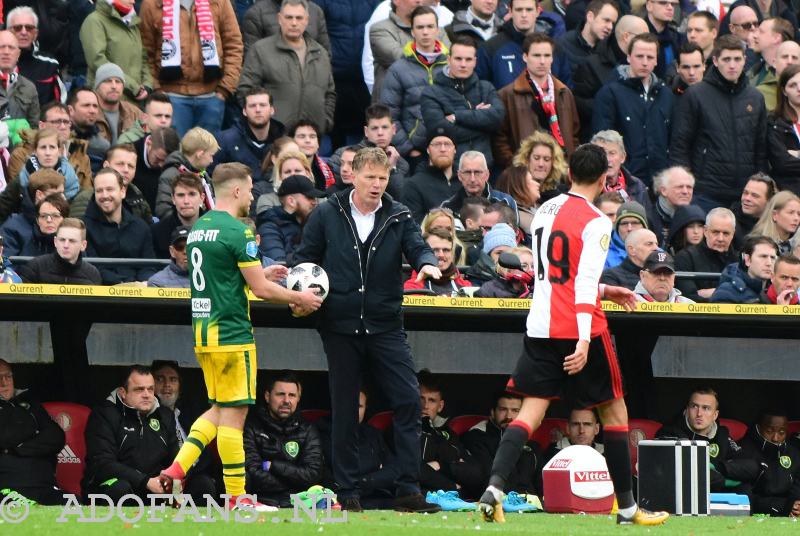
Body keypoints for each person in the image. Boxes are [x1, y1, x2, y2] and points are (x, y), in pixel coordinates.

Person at [476, 143, 668, 525]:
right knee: (615, 412)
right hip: (580, 328)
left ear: (568, 174)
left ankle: (494, 489)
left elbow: (553, 276)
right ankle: (628, 509)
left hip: (541, 323)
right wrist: (583, 339)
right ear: (604, 178)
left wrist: (605, 289)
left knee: (530, 410)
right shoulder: (597, 220)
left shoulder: (545, 210)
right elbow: (579, 284)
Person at [158, 162, 321, 512]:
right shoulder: (239, 232)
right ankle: (237, 499)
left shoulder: (201, 227)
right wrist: (299, 298)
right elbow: (260, 291)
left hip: (204, 333)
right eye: (249, 190)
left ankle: (176, 468)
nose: (251, 196)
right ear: (235, 191)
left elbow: (225, 275)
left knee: (218, 410)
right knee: (234, 418)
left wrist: (260, 271)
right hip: (232, 335)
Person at [293, 147, 442, 513]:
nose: (377, 184)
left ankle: (408, 490)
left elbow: (418, 246)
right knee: (345, 410)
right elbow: (304, 259)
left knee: (408, 400)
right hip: (339, 325)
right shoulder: (327, 212)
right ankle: (346, 491)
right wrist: (300, 293)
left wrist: (427, 264)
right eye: (371, 177)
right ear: (353, 176)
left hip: (386, 325)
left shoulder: (399, 213)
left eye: (383, 177)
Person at [670, 34, 767, 212]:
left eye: (737, 59)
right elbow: (680, 144)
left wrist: (758, 185)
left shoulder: (755, 98)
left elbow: (760, 148)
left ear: (745, 60)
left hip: (745, 194)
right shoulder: (696, 95)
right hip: (706, 192)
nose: (732, 65)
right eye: (726, 59)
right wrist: (686, 185)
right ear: (715, 61)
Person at [140, 0, 243, 136]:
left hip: (212, 97)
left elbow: (234, 44)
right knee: (174, 154)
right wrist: (158, 90)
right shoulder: (152, 4)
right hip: (170, 97)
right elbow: (145, 52)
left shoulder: (220, 2)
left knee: (206, 154)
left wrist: (224, 90)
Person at [82, 365, 179, 502]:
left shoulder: (165, 416)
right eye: (139, 389)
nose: (146, 394)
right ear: (123, 393)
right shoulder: (104, 414)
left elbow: (176, 458)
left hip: (155, 488)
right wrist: (145, 481)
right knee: (120, 488)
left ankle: (191, 522)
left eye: (150, 389)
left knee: (201, 483)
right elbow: (102, 463)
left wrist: (172, 481)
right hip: (113, 486)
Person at [237, 0, 336, 134]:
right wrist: (262, 126)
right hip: (273, 139)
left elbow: (330, 93)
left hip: (311, 137)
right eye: (289, 17)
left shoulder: (321, 53)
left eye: (299, 18)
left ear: (307, 20)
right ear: (279, 19)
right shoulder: (261, 50)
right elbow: (246, 90)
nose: (294, 23)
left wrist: (325, 121)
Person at [591, 33, 673, 188]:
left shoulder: (665, 94)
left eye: (650, 57)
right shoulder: (610, 93)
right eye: (639, 56)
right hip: (625, 181)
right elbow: (600, 142)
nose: (644, 62)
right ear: (628, 57)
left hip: (660, 183)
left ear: (656, 60)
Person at [494, 32, 579, 169]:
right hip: (524, 174)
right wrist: (517, 168)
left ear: (552, 58)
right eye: (536, 55)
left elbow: (574, 135)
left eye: (547, 56)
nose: (542, 61)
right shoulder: (507, 94)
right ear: (525, 57)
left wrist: (571, 167)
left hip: (561, 171)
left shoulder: (565, 92)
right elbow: (500, 140)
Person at [421, 36, 505, 168]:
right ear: (449, 60)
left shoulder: (486, 87)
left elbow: (498, 118)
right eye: (458, 59)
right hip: (450, 169)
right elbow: (440, 131)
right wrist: (482, 123)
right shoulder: (431, 93)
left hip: (484, 168)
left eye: (468, 59)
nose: (463, 64)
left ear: (475, 62)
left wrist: (457, 117)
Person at [243, 370, 323, 507]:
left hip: (299, 504)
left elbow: (313, 475)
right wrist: (294, 483)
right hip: (259, 503)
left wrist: (272, 466)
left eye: (292, 395)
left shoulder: (308, 430)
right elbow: (251, 472)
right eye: (280, 394)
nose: (286, 401)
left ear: (298, 398)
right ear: (267, 396)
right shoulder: (251, 427)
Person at [380, 6, 449, 164]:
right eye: (420, 27)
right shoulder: (398, 69)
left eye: (430, 26)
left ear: (438, 30)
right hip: (414, 154)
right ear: (412, 31)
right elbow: (390, 116)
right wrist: (409, 150)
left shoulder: (451, 66)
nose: (425, 32)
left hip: (449, 150)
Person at [656, 388, 757, 493]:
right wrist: (726, 481)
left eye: (706, 408)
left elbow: (751, 466)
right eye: (694, 406)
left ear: (715, 415)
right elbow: (683, 473)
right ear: (687, 410)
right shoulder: (669, 433)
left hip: (716, 496)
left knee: (745, 490)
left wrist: (718, 467)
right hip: (681, 494)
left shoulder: (721, 435)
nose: (699, 413)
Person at [0, 358, 67, 505]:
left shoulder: (29, 405)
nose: (4, 383)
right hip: (8, 488)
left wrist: (17, 449)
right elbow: (5, 436)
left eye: (8, 376)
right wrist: (35, 432)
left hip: (45, 486)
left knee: (77, 508)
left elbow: (56, 437)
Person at [572, 15, 649, 142]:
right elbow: (580, 105)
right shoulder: (591, 65)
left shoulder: (645, 64)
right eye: (643, 37)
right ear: (626, 37)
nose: (647, 42)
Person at [82, 168, 157, 284]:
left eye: (109, 189)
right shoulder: (84, 227)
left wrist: (141, 284)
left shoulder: (141, 227)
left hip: (139, 296)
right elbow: (92, 266)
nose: (105, 195)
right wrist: (122, 285)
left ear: (123, 191)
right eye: (99, 191)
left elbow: (148, 266)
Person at [461, 392, 543, 499]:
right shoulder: (476, 438)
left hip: (533, 505)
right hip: (498, 502)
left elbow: (542, 483)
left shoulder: (533, 446)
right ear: (492, 412)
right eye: (503, 409)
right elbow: (486, 478)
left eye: (515, 411)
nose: (508, 416)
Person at [476, 0, 571, 90]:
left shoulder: (554, 49)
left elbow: (565, 90)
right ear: (510, 12)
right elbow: (481, 89)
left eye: (529, 9)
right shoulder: (491, 48)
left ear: (538, 11)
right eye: (519, 10)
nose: (524, 15)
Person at [329, 104, 410, 200]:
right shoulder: (343, 155)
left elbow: (400, 199)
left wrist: (392, 169)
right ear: (366, 131)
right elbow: (335, 192)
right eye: (374, 128)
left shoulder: (401, 164)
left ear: (393, 129)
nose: (380, 133)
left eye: (385, 127)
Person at [8, 103, 92, 193]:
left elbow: (86, 195)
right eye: (57, 122)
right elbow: (21, 192)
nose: (63, 127)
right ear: (42, 126)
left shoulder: (82, 157)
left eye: (66, 122)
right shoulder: (21, 154)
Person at [79, 0, 152, 104]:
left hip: (134, 101)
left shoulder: (132, 24)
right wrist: (133, 87)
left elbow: (143, 58)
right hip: (106, 100)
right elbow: (97, 61)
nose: (133, 1)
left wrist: (147, 84)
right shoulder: (94, 21)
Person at [213, 88, 284, 185]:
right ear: (244, 111)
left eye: (262, 105)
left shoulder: (283, 141)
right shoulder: (225, 140)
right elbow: (212, 175)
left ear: (272, 110)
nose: (258, 110)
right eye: (252, 106)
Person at [737, 408, 800, 516]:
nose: (775, 438)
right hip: (759, 513)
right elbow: (744, 497)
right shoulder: (743, 451)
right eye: (769, 431)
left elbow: (797, 485)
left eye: (781, 432)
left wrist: (795, 504)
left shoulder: (793, 452)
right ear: (758, 428)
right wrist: (784, 506)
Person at [674, 207, 739, 302]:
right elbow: (687, 299)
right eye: (715, 232)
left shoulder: (740, 261)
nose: (720, 238)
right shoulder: (685, 258)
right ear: (705, 231)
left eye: (726, 233)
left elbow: (747, 296)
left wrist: (707, 293)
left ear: (733, 234)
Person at [257, 175, 325, 263]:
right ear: (291, 201)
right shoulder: (269, 228)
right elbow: (278, 267)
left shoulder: (312, 223)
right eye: (309, 197)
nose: (314, 202)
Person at [155, 127, 218, 219]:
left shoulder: (203, 175)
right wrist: (187, 224)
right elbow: (163, 209)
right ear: (200, 154)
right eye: (211, 155)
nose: (212, 161)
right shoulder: (171, 175)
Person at [5, 7, 62, 107]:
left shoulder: (49, 65)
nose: (24, 32)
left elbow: (60, 104)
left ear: (36, 34)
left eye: (29, 28)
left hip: (40, 121)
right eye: (18, 28)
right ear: (8, 32)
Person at [16, 218, 101, 284]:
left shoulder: (92, 274)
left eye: (72, 241)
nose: (66, 245)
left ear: (83, 245)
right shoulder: (35, 268)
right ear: (55, 242)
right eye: (62, 240)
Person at [441, 151, 516, 219]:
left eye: (477, 172)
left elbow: (515, 232)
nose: (472, 179)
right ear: (459, 176)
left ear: (487, 175)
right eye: (467, 172)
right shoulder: (448, 207)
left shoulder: (505, 202)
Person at [590, 129, 653, 211]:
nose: (607, 159)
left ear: (622, 157)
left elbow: (649, 221)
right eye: (602, 154)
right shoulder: (587, 186)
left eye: (612, 153)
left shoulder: (637, 186)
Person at [403, 134, 460, 223]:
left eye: (447, 144)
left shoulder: (466, 180)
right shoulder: (414, 185)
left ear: (455, 149)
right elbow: (414, 227)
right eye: (437, 144)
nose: (443, 149)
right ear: (428, 150)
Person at [711, 235, 778, 303]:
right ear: (747, 259)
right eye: (763, 256)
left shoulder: (771, 292)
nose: (769, 263)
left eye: (772, 258)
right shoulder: (727, 293)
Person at [556, 0, 619, 73]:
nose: (610, 27)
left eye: (613, 23)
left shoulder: (611, 50)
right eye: (606, 20)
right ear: (590, 16)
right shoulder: (562, 45)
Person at [405, 227, 471, 295]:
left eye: (446, 250)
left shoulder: (467, 287)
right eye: (435, 250)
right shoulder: (411, 288)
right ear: (424, 252)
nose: (441, 255)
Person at [152, 174, 205, 258]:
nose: (186, 201)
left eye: (192, 194)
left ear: (202, 198)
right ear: (173, 199)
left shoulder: (216, 228)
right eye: (181, 195)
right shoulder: (157, 232)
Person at [241, 0, 330, 50]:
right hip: (273, 81)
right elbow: (252, 62)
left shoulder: (316, 11)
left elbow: (325, 53)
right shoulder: (256, 13)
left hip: (311, 81)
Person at [0, 193, 67, 258]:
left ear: (65, 219)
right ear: (37, 220)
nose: (49, 220)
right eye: (43, 216)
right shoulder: (26, 241)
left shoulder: (70, 243)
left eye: (55, 216)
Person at [767, 65, 800, 195]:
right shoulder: (774, 122)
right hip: (789, 194)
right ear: (784, 91)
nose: (799, 89)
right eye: (793, 85)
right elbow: (782, 163)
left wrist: (797, 155)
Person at [93, 63, 145, 145]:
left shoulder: (134, 112)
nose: (114, 86)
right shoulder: (89, 111)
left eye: (118, 81)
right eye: (108, 81)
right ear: (97, 86)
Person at [512, 131, 566, 203]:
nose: (541, 164)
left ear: (554, 163)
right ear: (527, 159)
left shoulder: (559, 198)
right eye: (536, 158)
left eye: (546, 159)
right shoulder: (514, 190)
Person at [0, 30, 39, 126]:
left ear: (18, 54)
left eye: (11, 48)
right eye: (1, 47)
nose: (6, 52)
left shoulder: (29, 87)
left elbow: (34, 128)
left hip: (20, 141)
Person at [649, 166, 695, 246]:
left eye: (689, 187)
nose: (685, 191)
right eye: (679, 187)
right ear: (663, 191)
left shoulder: (696, 218)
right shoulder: (649, 219)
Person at [68, 88, 111, 172]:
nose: (92, 111)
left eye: (95, 106)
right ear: (70, 110)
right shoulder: (58, 140)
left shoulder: (103, 145)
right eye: (86, 105)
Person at [466, 220, 518, 286]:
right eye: (499, 253)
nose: (504, 257)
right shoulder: (475, 278)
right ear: (488, 255)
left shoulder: (523, 278)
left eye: (509, 253)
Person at [732, 173, 776, 249]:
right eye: (745, 193)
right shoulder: (730, 221)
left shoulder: (777, 223)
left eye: (755, 196)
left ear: (769, 201)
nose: (747, 198)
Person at [290, 120, 336, 192]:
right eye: (302, 136)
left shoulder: (330, 170)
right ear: (291, 142)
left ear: (318, 144)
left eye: (312, 136)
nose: (308, 140)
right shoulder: (282, 168)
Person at [495, 165, 540, 234]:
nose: (538, 184)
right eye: (532, 180)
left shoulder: (534, 209)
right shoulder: (517, 217)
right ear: (518, 186)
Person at [606, 201, 649, 269]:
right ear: (617, 228)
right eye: (624, 223)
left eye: (635, 223)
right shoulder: (603, 255)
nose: (629, 228)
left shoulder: (658, 254)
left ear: (644, 226)